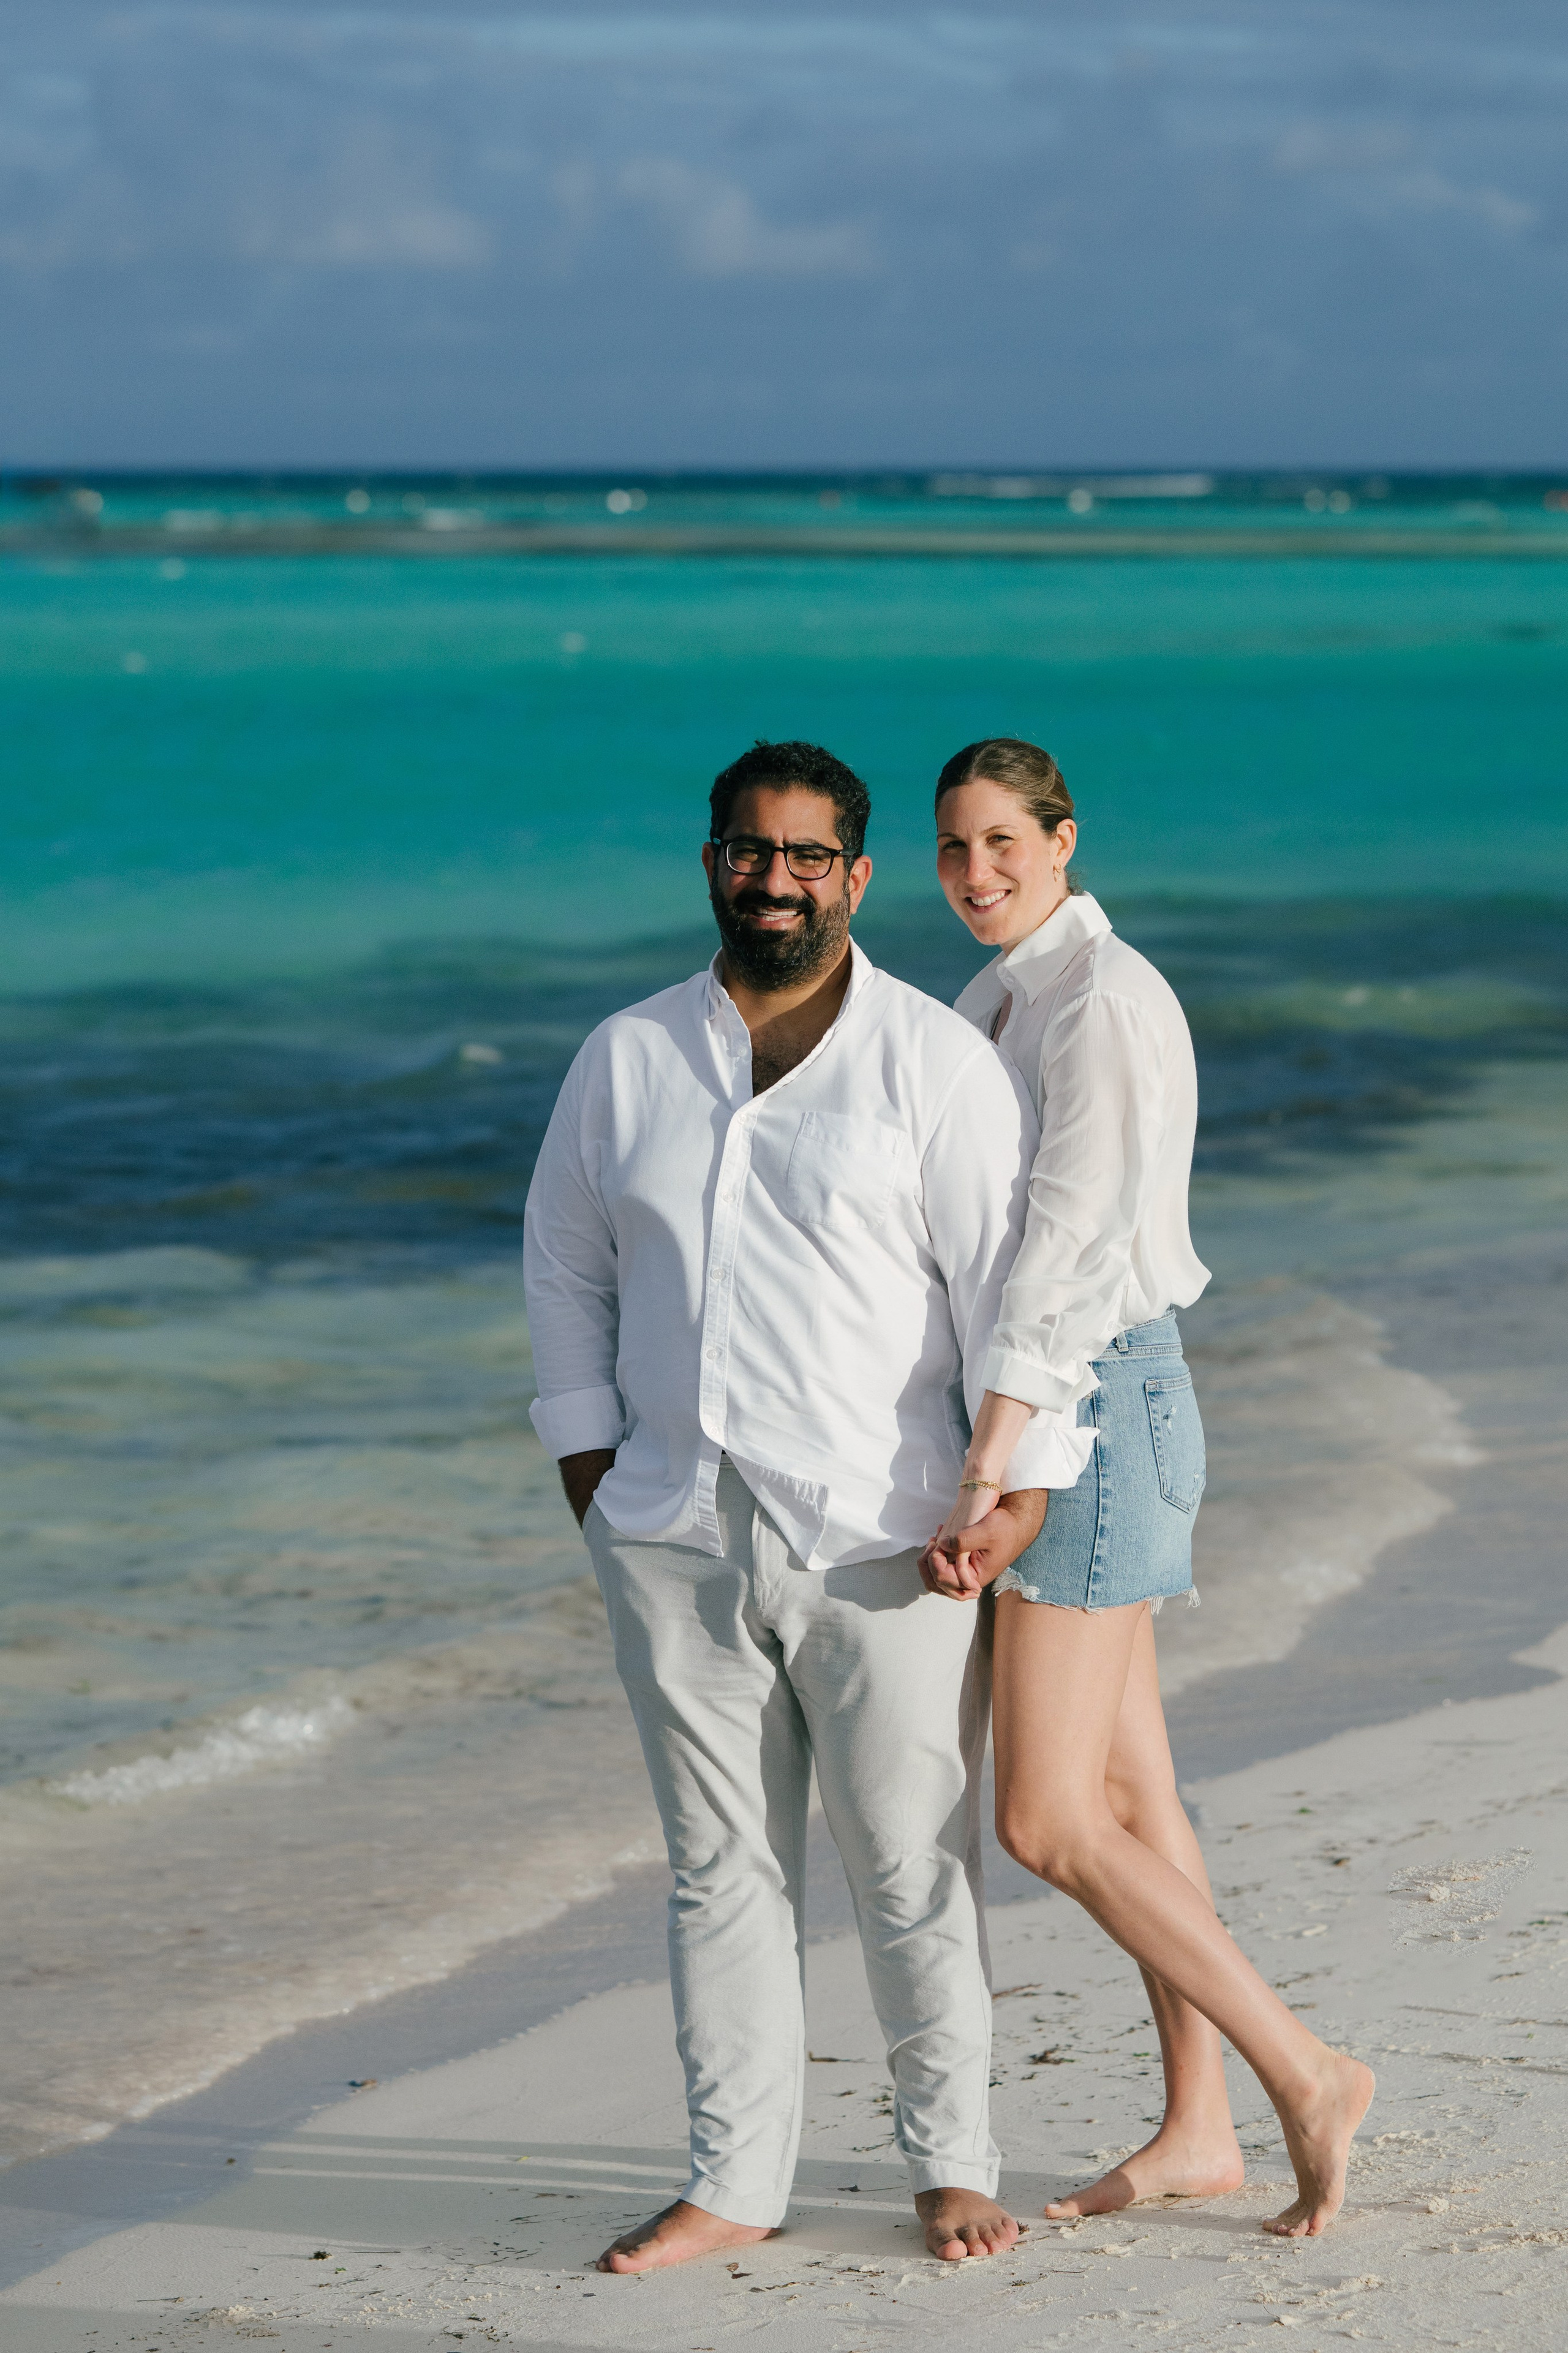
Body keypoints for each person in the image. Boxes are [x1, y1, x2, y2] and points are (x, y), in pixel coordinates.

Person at [522, 739, 1091, 2272]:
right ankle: (734, 2178)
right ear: (710, 860)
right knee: (719, 1869)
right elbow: (566, 1273)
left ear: (852, 874)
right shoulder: (627, 1057)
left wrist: (1016, 1489)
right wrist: (596, 1481)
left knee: (908, 1861)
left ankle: (950, 2162)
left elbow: (1011, 1301)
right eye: (745, 850)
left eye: (804, 855)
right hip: (669, 1530)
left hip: (885, 1534)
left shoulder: (928, 1061)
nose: (772, 879)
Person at [923, 738, 1374, 2239]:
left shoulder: (1098, 1005)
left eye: (1002, 843)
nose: (976, 874)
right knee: (1130, 1796)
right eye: (953, 850)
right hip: (1096, 1398)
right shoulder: (1016, 994)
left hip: (1087, 1414)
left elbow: (1059, 1255)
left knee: (1044, 1822)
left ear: (1062, 839)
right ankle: (1199, 2127)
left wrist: (995, 1462)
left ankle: (1304, 2072)